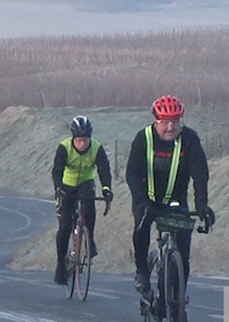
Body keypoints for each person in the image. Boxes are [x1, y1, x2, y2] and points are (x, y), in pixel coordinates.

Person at [126, 95, 215, 299]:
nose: (170, 127)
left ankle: (178, 297)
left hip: (176, 199)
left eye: (175, 122)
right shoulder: (143, 138)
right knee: (141, 226)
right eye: (165, 122)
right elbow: (132, 173)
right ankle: (142, 271)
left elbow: (200, 173)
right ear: (156, 121)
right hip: (147, 198)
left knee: (183, 254)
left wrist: (201, 204)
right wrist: (141, 200)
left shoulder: (190, 139)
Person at [52, 115, 114, 285]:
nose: (82, 144)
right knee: (65, 225)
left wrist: (107, 189)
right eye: (79, 140)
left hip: (86, 182)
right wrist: (58, 188)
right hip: (67, 184)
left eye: (85, 140)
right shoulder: (64, 147)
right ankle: (60, 264)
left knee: (89, 209)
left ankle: (89, 239)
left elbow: (104, 171)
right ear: (73, 138)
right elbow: (57, 170)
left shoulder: (96, 148)